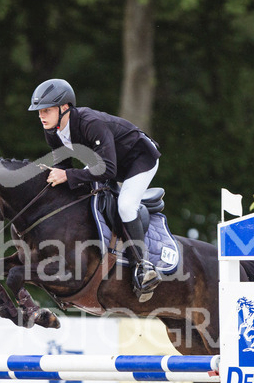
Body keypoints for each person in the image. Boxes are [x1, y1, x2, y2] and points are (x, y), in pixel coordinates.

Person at [29, 78, 162, 297]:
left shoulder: (90, 123)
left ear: (65, 108)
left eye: (47, 110)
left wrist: (67, 175)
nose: (41, 116)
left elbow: (107, 170)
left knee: (126, 206)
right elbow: (63, 167)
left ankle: (143, 266)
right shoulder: (52, 131)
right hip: (108, 162)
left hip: (139, 159)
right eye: (39, 111)